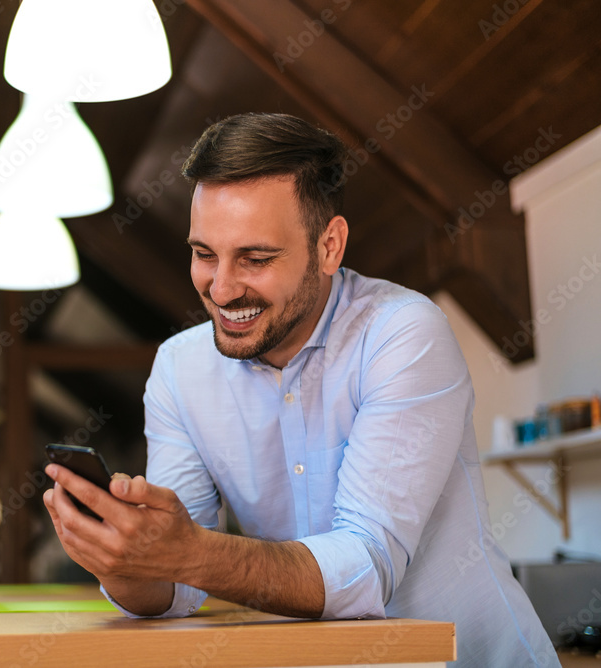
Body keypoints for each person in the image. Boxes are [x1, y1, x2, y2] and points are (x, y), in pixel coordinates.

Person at [43, 112, 560, 668]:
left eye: (255, 258)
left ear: (329, 246)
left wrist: (187, 552)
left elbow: (367, 563)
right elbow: (177, 588)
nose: (220, 288)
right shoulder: (178, 369)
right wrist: (122, 562)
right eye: (204, 253)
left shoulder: (402, 332)